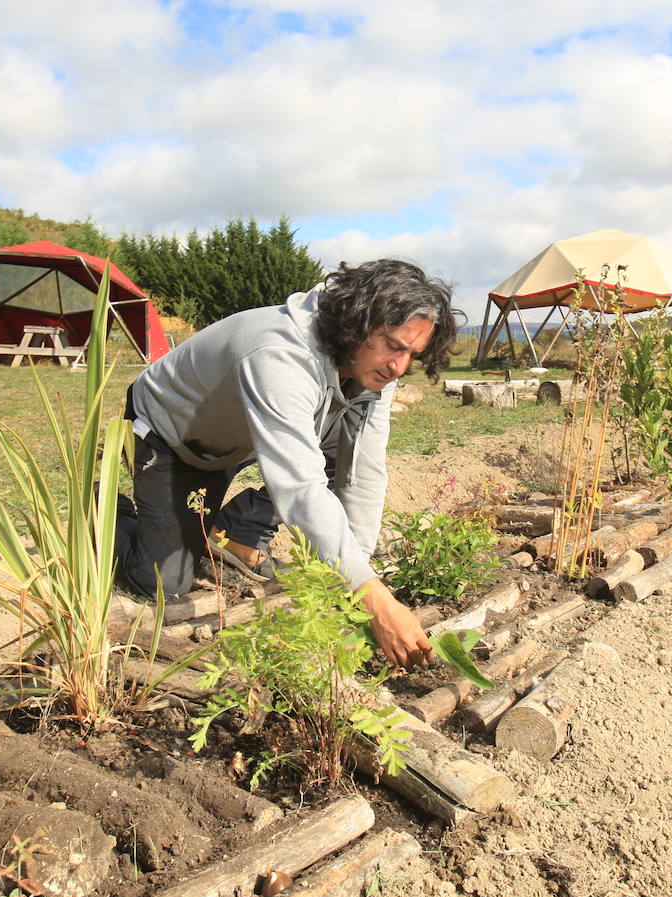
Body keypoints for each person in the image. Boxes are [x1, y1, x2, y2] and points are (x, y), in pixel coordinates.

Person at [115, 259, 457, 668]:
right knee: (164, 581)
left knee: (339, 449)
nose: (399, 367)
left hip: (240, 435)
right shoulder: (279, 353)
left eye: (412, 354)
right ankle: (107, 512)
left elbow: (362, 470)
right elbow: (299, 486)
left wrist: (356, 577)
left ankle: (237, 526)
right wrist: (375, 599)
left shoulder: (373, 369)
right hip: (177, 437)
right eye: (393, 346)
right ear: (357, 322)